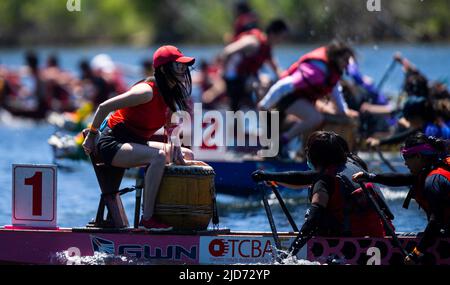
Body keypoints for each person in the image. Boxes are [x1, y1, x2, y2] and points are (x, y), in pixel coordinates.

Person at [82, 45, 196, 231]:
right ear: (164, 69)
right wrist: (92, 135)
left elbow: (170, 133)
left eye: (184, 66)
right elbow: (103, 107)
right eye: (179, 66)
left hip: (135, 143)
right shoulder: (146, 91)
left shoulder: (169, 94)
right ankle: (148, 219)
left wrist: (178, 154)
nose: (184, 71)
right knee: (157, 156)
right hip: (113, 143)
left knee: (188, 154)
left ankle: (169, 214)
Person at [252, 131, 393, 255]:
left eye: (307, 151)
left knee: (313, 216)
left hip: (348, 249)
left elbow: (313, 220)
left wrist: (290, 254)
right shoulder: (354, 164)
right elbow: (304, 178)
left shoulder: (324, 181)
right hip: (382, 240)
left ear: (315, 157)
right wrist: (271, 177)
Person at [353, 133, 450, 264]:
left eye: (406, 157)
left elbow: (436, 221)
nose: (404, 163)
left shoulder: (433, 181)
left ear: (418, 156)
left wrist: (417, 253)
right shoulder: (433, 170)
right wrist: (369, 176)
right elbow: (401, 178)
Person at [258, 41, 356, 150]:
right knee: (315, 118)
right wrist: (265, 104)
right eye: (345, 60)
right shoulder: (316, 70)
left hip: (299, 100)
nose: (347, 64)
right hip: (286, 99)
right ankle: (283, 141)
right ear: (336, 57)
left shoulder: (332, 71)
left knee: (316, 117)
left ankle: (294, 149)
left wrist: (344, 111)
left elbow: (336, 92)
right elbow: (283, 85)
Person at [222, 19, 288, 111]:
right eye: (283, 37)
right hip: (234, 79)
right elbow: (227, 52)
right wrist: (224, 76)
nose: (283, 41)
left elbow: (277, 69)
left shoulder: (267, 48)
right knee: (260, 85)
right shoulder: (252, 42)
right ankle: (263, 114)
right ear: (273, 34)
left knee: (269, 81)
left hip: (247, 77)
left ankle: (267, 114)